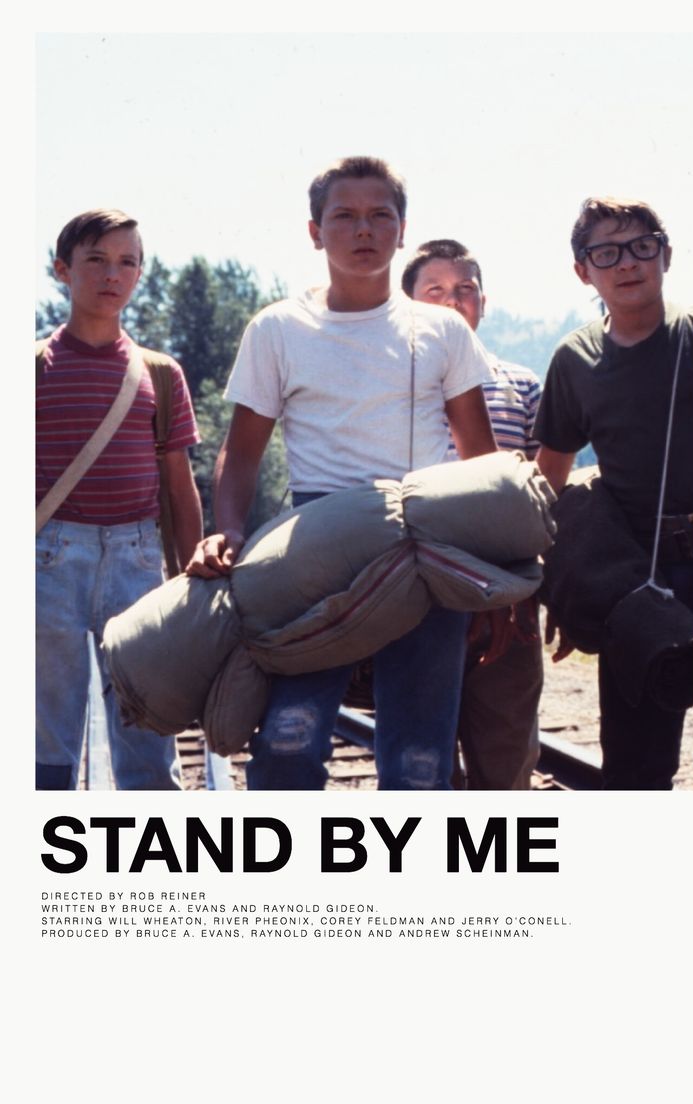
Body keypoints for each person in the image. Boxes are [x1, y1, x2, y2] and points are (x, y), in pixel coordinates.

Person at [187, 156, 496, 790]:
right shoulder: (278, 328)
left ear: (402, 229)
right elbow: (241, 451)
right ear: (314, 231)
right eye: (345, 216)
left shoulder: (441, 331)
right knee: (286, 746)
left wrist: (492, 572)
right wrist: (229, 531)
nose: (363, 231)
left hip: (426, 545)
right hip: (314, 551)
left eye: (380, 215)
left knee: (420, 761)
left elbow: (481, 462)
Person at [534, 197, 693, 789]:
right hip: (639, 580)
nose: (627, 264)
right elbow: (548, 479)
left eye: (641, 247)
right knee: (637, 764)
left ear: (665, 254)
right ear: (584, 269)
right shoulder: (575, 361)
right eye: (607, 252)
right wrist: (553, 579)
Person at [36, 208, 203, 790]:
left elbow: (179, 487)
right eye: (96, 261)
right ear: (63, 270)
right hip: (46, 561)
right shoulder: (30, 369)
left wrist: (190, 579)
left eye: (126, 262)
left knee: (147, 725)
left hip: (137, 561)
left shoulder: (160, 374)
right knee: (44, 737)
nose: (112, 274)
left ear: (139, 274)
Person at [402, 239, 543, 789]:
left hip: (508, 590)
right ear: (408, 303)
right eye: (434, 291)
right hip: (415, 592)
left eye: (465, 291)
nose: (452, 302)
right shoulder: (390, 387)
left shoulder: (523, 385)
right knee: (421, 757)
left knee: (506, 746)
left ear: (483, 303)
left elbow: (536, 494)